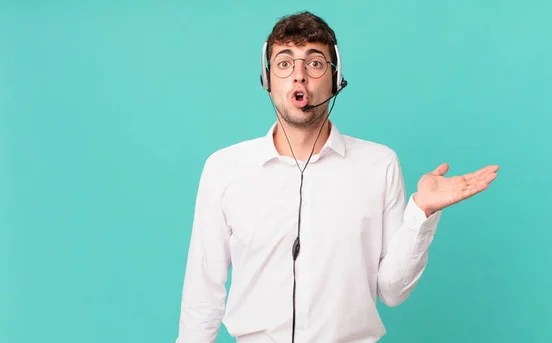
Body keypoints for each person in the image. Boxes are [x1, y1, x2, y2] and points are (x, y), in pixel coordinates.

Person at [175, 11, 499, 343]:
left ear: (336, 77)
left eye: (314, 63)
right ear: (267, 79)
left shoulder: (379, 164)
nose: (299, 76)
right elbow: (203, 296)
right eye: (285, 63)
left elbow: (392, 292)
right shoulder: (224, 169)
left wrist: (422, 214)